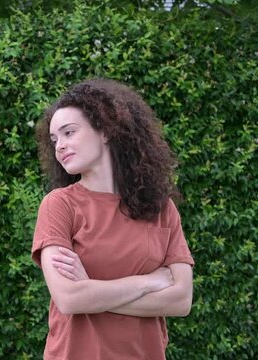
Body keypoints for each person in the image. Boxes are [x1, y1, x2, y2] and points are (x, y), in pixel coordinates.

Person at [31, 78, 194, 360]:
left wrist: (92, 291)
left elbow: (181, 300)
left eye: (69, 132)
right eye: (54, 139)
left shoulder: (161, 208)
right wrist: (149, 282)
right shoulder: (59, 205)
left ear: (105, 130)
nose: (59, 146)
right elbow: (70, 299)